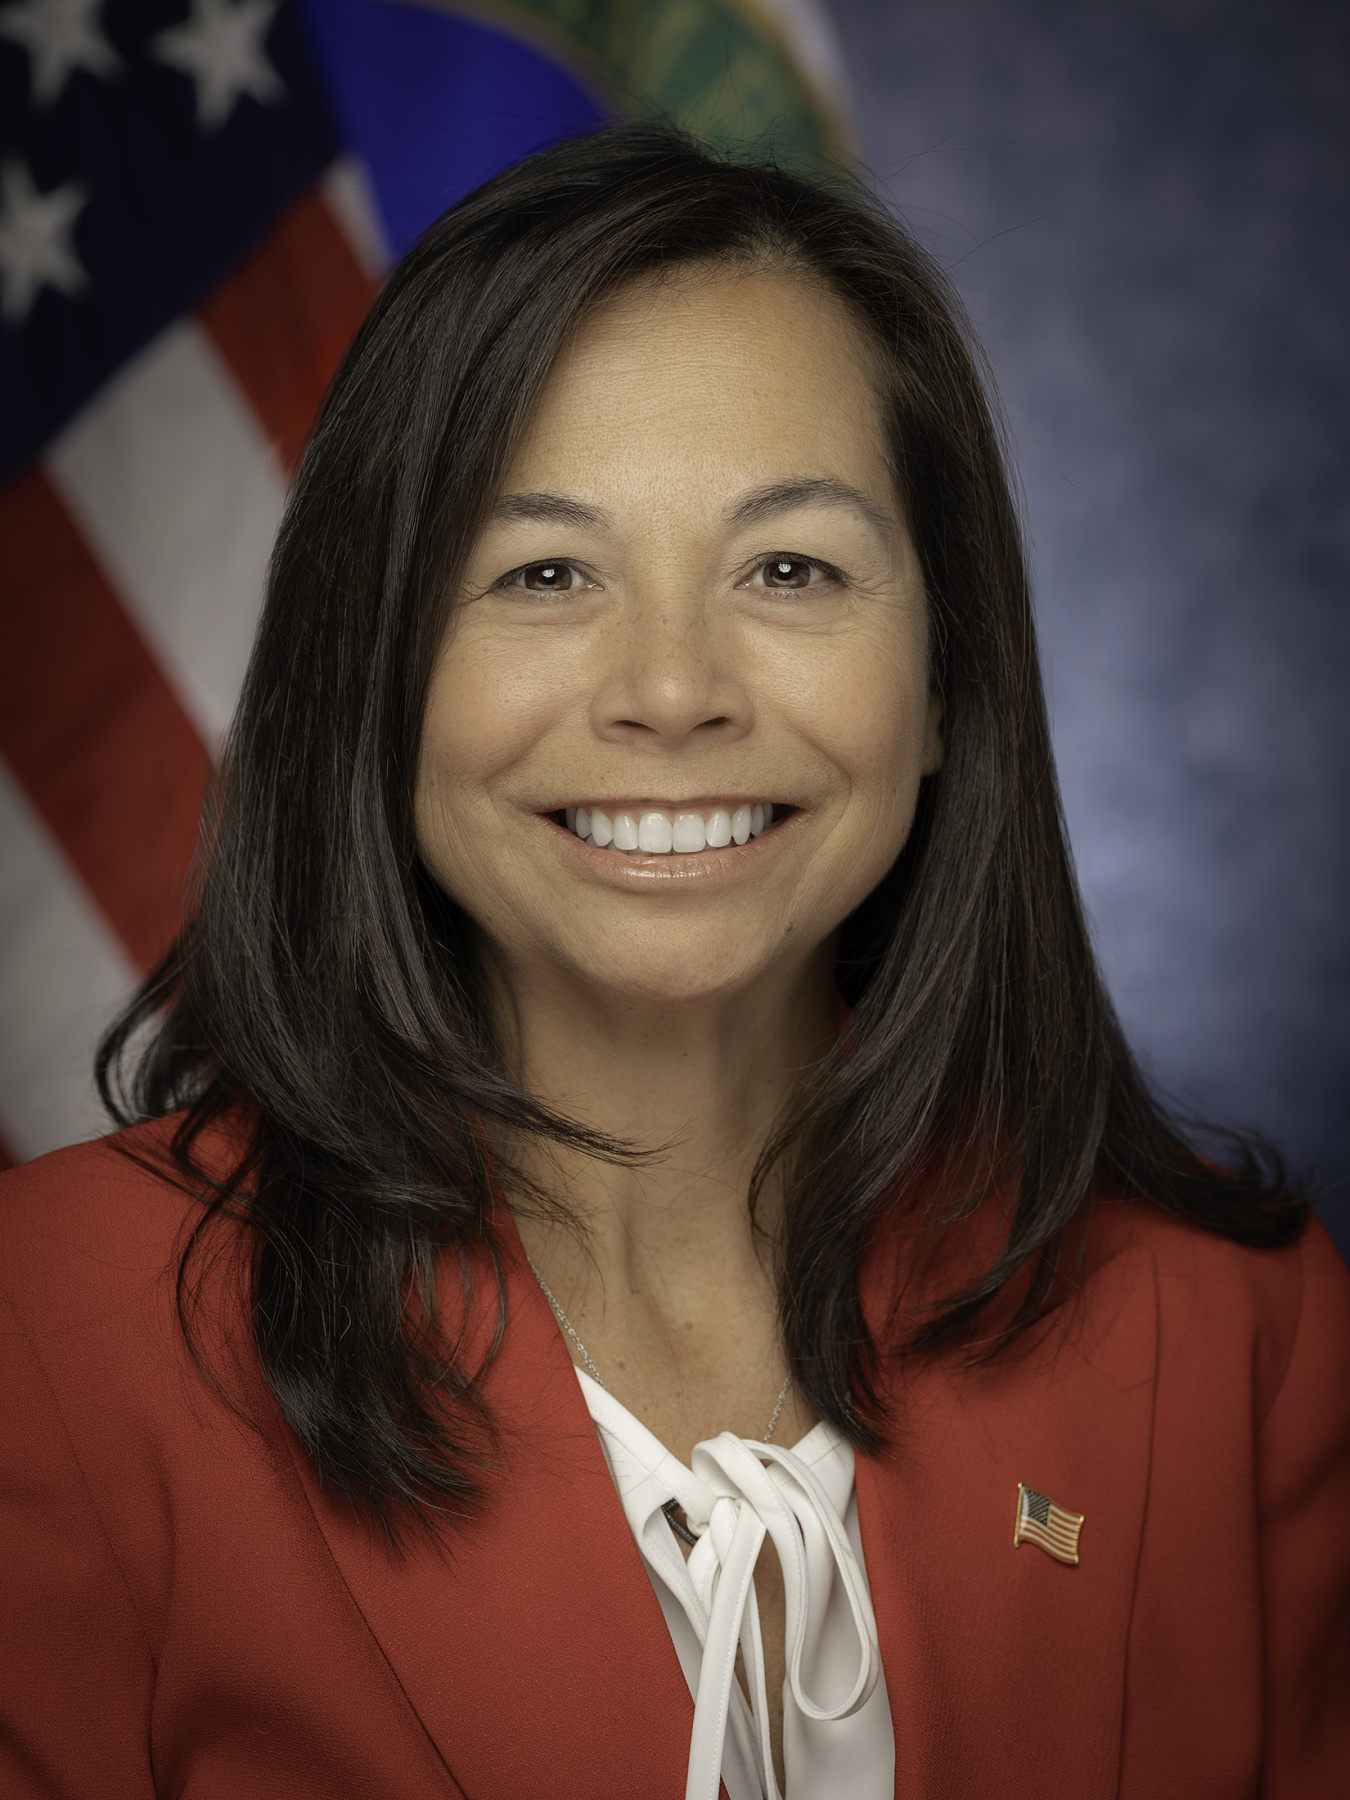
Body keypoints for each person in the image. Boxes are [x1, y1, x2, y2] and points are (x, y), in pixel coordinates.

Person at [1, 123, 1347, 1800]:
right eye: (544, 571)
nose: (669, 689)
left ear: (944, 684)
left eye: (788, 567)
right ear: (375, 677)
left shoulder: (1238, 1336)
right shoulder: (42, 1340)